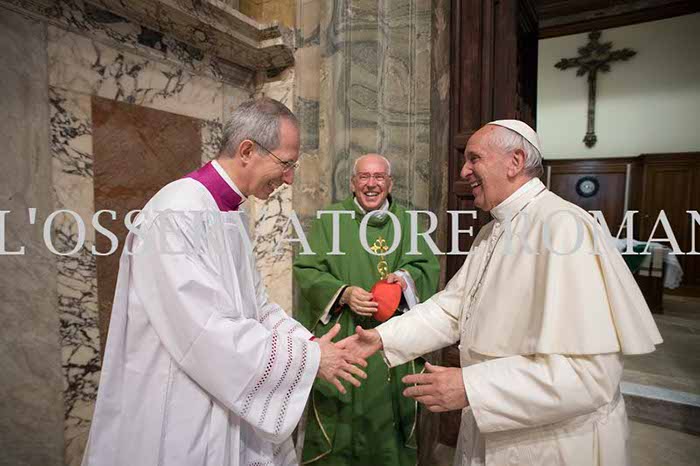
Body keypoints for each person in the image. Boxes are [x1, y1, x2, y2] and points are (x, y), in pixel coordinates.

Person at [343, 121, 663, 466]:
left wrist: (471, 387)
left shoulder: (564, 229)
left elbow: (590, 377)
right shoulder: (493, 231)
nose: (464, 171)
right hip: (494, 430)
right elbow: (452, 310)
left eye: (474, 158)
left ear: (515, 161)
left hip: (553, 444)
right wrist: (382, 337)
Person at [82, 98, 367, 466]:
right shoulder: (177, 212)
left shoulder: (229, 213)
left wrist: (309, 344)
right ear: (247, 151)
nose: (289, 178)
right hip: (182, 404)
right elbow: (204, 329)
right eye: (286, 164)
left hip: (221, 391)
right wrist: (309, 360)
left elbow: (255, 306)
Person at [293, 154, 440, 465]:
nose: (371, 184)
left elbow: (427, 268)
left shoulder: (408, 223)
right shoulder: (330, 220)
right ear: (352, 183)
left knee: (385, 421)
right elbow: (307, 270)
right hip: (344, 336)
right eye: (364, 177)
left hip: (390, 339)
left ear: (390, 184)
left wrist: (402, 280)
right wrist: (343, 293)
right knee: (340, 416)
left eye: (378, 177)